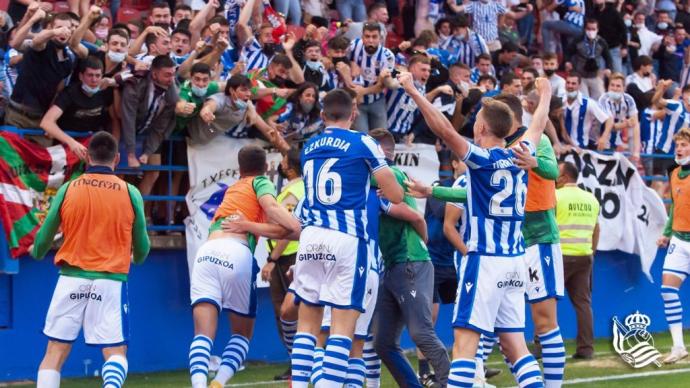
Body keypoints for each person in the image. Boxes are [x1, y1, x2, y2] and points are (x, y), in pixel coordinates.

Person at [400, 71, 552, 388]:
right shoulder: (524, 152)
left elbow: (442, 128)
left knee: (465, 346)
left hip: (484, 259)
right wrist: (546, 91)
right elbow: (538, 122)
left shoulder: (480, 158)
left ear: (480, 127)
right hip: (515, 261)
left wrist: (414, 92)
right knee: (516, 346)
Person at [289, 89, 403, 388]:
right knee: (343, 328)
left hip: (311, 236)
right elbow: (395, 194)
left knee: (307, 325)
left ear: (323, 114)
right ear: (354, 113)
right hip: (348, 238)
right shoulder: (364, 141)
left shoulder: (309, 146)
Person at [31, 131, 150, 388]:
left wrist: (37, 252)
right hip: (111, 281)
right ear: (117, 158)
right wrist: (137, 258)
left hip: (71, 278)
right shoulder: (131, 193)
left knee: (54, 353)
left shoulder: (68, 188)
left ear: (87, 156)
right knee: (115, 352)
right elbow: (142, 247)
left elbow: (44, 237)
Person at [187, 144, 301, 388]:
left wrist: (252, 225)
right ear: (266, 167)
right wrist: (296, 226)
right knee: (241, 334)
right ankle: (218, 383)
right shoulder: (261, 183)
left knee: (202, 333)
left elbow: (265, 225)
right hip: (235, 252)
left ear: (239, 169)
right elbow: (274, 212)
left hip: (206, 253)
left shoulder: (233, 189)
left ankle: (198, 385)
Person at [368, 128, 450, 388]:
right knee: (383, 343)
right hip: (395, 264)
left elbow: (414, 217)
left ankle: (452, 383)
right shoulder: (386, 176)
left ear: (379, 151)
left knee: (421, 333)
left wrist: (420, 247)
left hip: (409, 262)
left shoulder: (387, 175)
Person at [262, 149, 304, 381]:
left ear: (290, 167)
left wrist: (272, 259)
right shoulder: (301, 187)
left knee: (286, 312)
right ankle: (300, 361)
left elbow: (289, 229)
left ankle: (297, 362)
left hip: (288, 256)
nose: (281, 164)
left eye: (284, 160)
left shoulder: (292, 192)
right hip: (292, 254)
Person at [556, 161, 600, 360]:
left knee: (546, 301)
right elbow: (597, 228)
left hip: (560, 256)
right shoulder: (591, 199)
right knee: (583, 304)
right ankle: (586, 349)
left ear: (565, 177)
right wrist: (592, 251)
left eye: (557, 172)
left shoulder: (555, 196)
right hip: (585, 256)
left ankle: (541, 347)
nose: (554, 176)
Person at [6, 12, 79, 131]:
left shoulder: (68, 60)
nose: (63, 31)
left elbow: (57, 91)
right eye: (59, 27)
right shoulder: (43, 45)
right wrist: (53, 32)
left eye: (67, 29)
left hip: (41, 119)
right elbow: (36, 41)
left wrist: (50, 120)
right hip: (17, 115)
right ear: (50, 28)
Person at [656, 127, 690, 364]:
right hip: (679, 239)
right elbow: (674, 208)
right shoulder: (674, 173)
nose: (679, 149)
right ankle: (678, 346)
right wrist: (666, 233)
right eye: (677, 145)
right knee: (668, 291)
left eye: (684, 145)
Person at [40, 57, 117, 160]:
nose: (94, 80)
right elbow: (46, 122)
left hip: (91, 149)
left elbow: (116, 120)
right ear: (81, 76)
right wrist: (72, 143)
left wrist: (114, 147)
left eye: (98, 75)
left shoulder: (105, 93)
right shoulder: (70, 93)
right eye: (90, 75)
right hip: (65, 148)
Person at [347, 22, 395, 132]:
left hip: (377, 99)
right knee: (361, 137)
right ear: (362, 37)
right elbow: (340, 60)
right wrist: (350, 64)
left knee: (381, 136)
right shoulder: (353, 46)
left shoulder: (387, 56)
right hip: (357, 102)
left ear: (380, 38)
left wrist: (362, 91)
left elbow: (381, 86)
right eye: (367, 36)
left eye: (374, 37)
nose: (370, 40)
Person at [561, 73, 612, 149]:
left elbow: (609, 119)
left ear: (579, 85)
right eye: (568, 83)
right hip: (563, 147)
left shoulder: (588, 103)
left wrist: (603, 138)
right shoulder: (560, 101)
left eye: (573, 83)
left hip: (582, 148)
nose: (570, 86)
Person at [565, 19, 612, 100]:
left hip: (595, 75)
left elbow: (608, 57)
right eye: (589, 29)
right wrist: (567, 62)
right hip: (581, 75)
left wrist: (608, 68)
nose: (591, 31)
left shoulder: (601, 42)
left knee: (600, 99)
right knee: (583, 100)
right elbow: (568, 52)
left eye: (593, 29)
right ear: (585, 29)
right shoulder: (578, 40)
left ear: (597, 30)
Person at [597, 73, 641, 159]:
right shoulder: (603, 99)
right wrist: (625, 124)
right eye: (612, 85)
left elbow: (635, 124)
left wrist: (636, 151)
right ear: (608, 87)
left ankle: (634, 154)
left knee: (634, 127)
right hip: (599, 139)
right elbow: (610, 123)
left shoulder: (629, 100)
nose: (614, 88)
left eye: (618, 86)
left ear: (623, 88)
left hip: (615, 141)